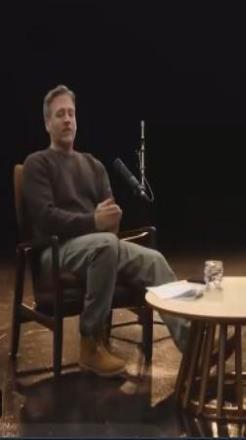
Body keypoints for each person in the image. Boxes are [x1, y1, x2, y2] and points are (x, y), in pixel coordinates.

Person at [23, 84, 189, 377]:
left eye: (71, 113)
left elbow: (107, 223)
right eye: (60, 114)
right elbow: (45, 218)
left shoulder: (94, 165)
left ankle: (192, 345)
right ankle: (90, 343)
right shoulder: (37, 163)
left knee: (154, 260)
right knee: (104, 244)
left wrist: (112, 220)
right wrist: (94, 222)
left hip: (100, 246)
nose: (67, 119)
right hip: (55, 250)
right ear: (47, 123)